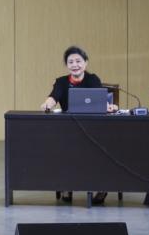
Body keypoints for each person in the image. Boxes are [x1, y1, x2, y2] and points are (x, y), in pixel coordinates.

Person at [41, 45, 116, 204]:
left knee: (102, 149)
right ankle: (67, 186)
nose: (75, 65)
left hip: (93, 128)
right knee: (64, 148)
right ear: (66, 65)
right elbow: (53, 97)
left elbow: (100, 101)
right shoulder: (61, 82)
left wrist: (108, 106)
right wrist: (47, 104)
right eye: (71, 62)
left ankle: (102, 188)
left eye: (78, 61)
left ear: (85, 63)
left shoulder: (92, 79)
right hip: (69, 129)